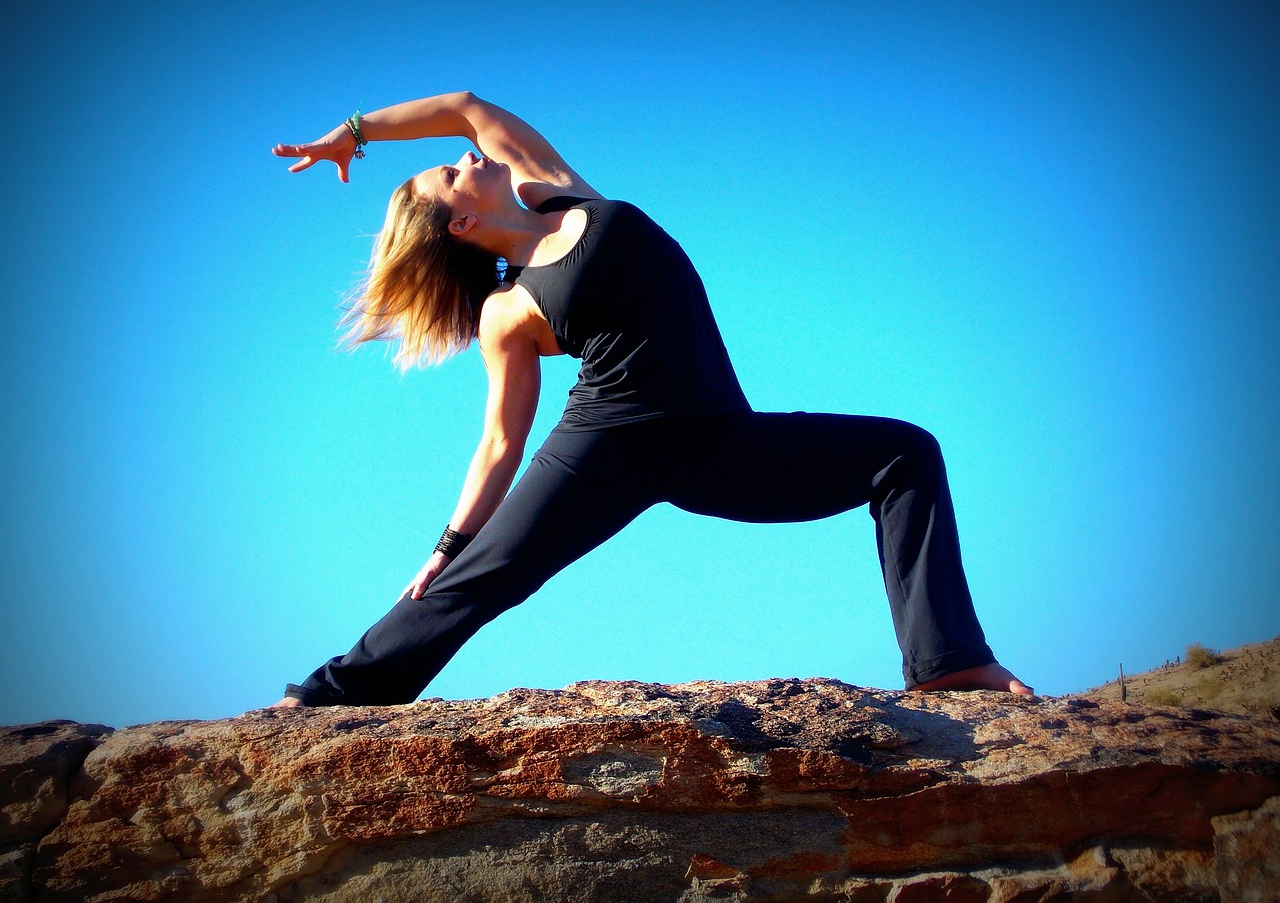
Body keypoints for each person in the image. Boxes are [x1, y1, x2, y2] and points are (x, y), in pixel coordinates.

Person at [268, 91, 1032, 709]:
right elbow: (500, 443)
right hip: (606, 446)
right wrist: (446, 547)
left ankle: (944, 662)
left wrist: (355, 132)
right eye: (450, 175)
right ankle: (325, 697)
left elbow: (468, 105)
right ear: (461, 222)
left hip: (719, 444)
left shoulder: (556, 189)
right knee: (482, 580)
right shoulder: (507, 312)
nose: (464, 158)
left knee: (907, 453)